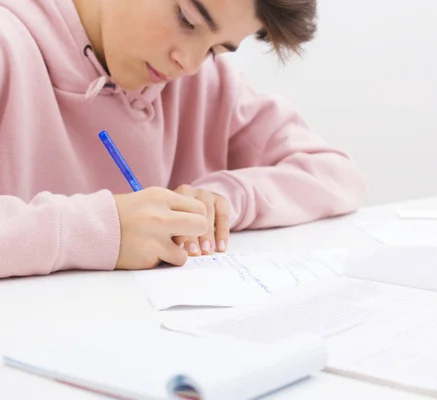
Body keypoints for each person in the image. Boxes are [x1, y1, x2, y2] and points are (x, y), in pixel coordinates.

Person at [0, 0, 366, 279]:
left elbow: (336, 174)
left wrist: (223, 199)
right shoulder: (9, 45)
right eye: (187, 20)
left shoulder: (203, 83)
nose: (189, 63)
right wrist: (98, 230)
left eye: (215, 49)